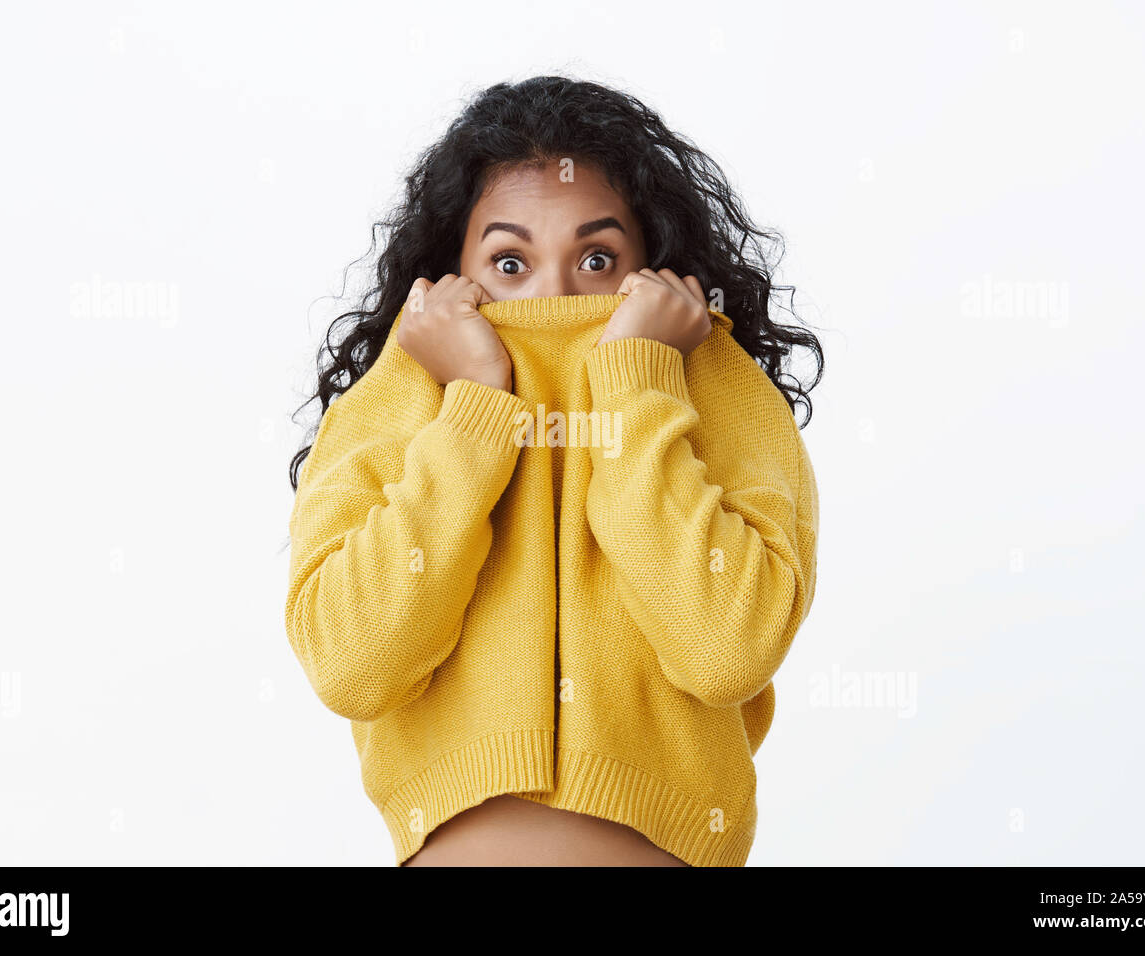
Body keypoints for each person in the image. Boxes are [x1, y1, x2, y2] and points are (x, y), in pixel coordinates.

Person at [286, 75, 824, 866]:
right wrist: (472, 411)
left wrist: (639, 383)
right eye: (509, 263)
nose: (554, 296)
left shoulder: (716, 383)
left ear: (654, 266)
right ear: (451, 268)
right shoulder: (401, 392)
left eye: (598, 257)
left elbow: (726, 650)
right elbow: (353, 667)